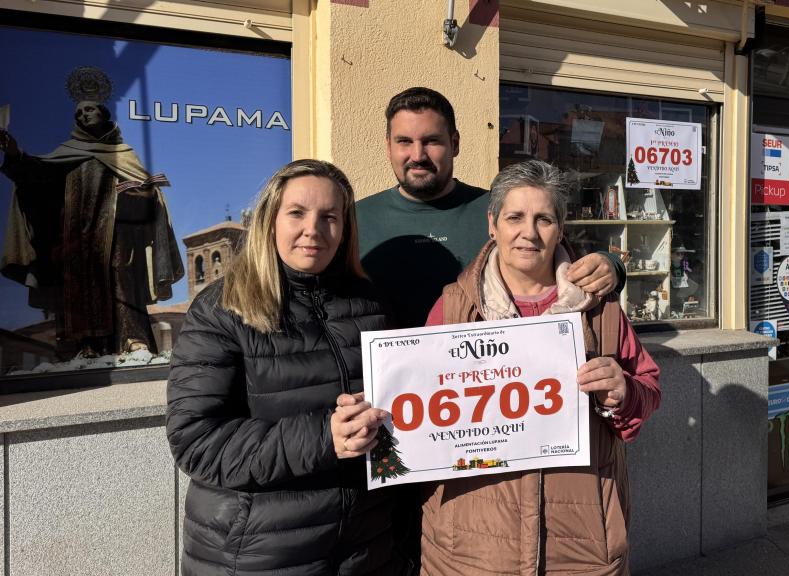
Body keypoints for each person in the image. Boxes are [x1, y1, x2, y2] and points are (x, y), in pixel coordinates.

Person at [166, 160, 410, 576]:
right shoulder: (223, 309)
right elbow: (196, 440)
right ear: (270, 221)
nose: (313, 229)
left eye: (330, 217)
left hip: (362, 551)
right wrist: (323, 436)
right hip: (258, 556)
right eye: (297, 213)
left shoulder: (370, 304)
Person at [420, 159, 661, 575]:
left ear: (560, 228)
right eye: (515, 217)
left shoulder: (599, 309)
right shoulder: (453, 308)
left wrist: (622, 392)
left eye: (544, 219)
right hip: (472, 551)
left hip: (582, 547)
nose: (528, 233)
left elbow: (647, 393)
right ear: (492, 224)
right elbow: (420, 416)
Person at [357, 87, 624, 329]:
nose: (417, 155)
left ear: (455, 144)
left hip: (483, 373)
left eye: (431, 141)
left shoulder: (505, 214)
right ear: (388, 146)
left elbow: (566, 262)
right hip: (390, 378)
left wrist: (611, 266)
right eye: (405, 141)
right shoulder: (358, 219)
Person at [0, 69, 183, 358]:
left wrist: (145, 190)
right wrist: (14, 154)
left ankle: (134, 340)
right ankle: (87, 346)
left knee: (123, 281)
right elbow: (34, 176)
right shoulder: (67, 152)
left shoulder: (123, 153)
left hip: (119, 232)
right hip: (78, 235)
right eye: (80, 113)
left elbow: (148, 195)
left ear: (104, 112)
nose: (84, 115)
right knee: (80, 287)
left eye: (89, 110)